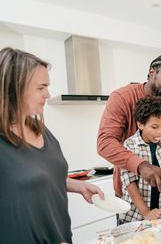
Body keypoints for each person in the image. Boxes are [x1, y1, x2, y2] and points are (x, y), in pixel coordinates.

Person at [0, 47, 104, 243]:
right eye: (41, 88)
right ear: (13, 89)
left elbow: (36, 179)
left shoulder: (42, 131)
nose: (47, 94)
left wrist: (77, 185)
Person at [97, 55, 161, 199]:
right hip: (131, 195)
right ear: (151, 74)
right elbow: (105, 143)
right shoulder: (122, 97)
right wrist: (141, 166)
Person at [119, 96, 161, 224]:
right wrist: (145, 212)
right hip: (136, 214)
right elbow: (129, 182)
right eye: (155, 127)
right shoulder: (129, 145)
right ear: (140, 124)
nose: (160, 132)